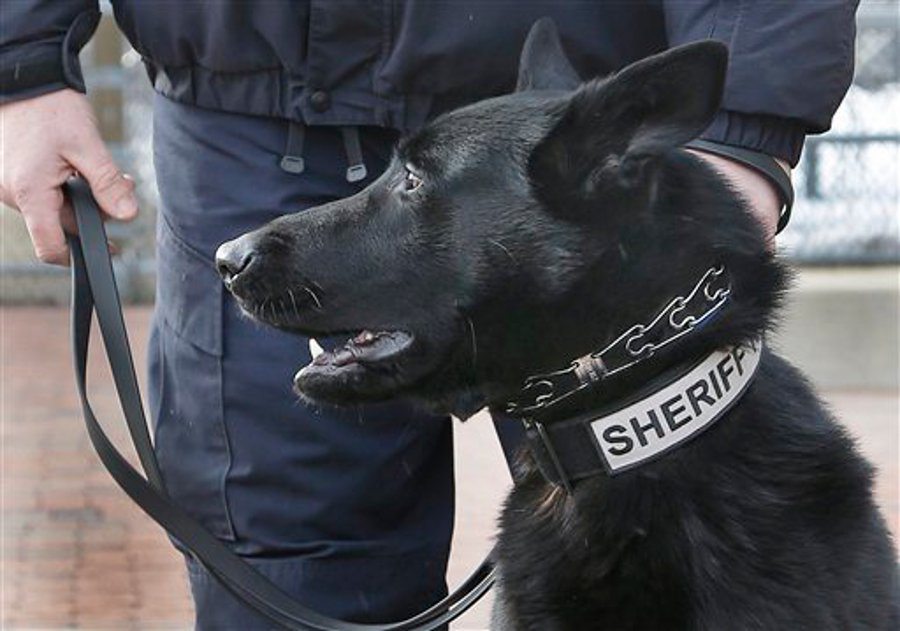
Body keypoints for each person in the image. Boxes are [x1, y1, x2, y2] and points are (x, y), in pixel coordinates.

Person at [0, 2, 859, 628]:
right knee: (287, 576)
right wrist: (21, 61)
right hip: (250, 105)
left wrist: (743, 125)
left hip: (583, 176)